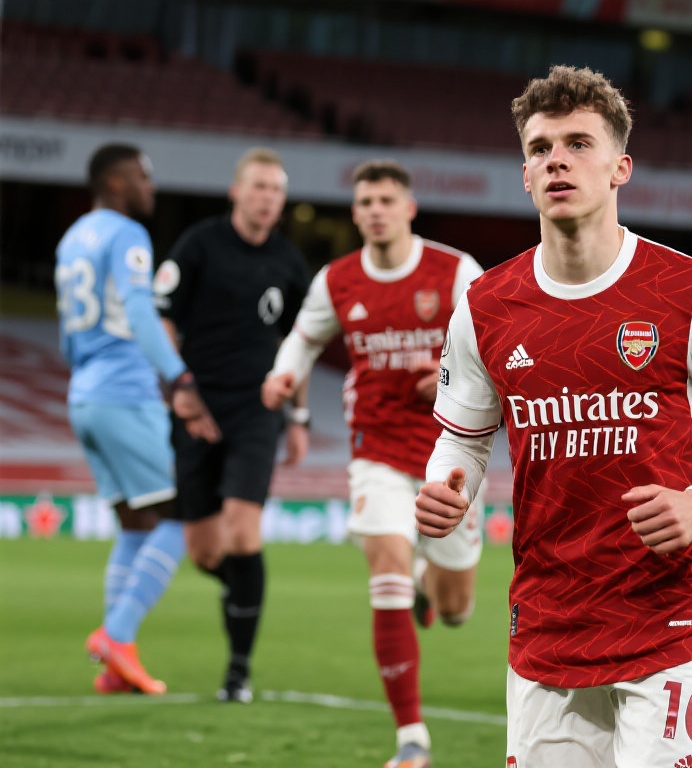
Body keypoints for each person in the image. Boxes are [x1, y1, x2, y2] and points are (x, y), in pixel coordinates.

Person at [414, 65, 692, 768]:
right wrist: (447, 485)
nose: (556, 160)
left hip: (671, 619)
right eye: (539, 148)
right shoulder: (485, 306)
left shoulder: (691, 292)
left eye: (578, 143)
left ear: (621, 167)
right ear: (524, 176)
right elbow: (461, 441)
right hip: (548, 621)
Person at [262, 159, 486, 768]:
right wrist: (283, 375)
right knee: (385, 570)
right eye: (365, 203)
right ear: (356, 213)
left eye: (386, 200)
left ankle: (428, 586)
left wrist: (448, 378)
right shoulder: (337, 279)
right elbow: (304, 338)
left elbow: (494, 346)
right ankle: (411, 739)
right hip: (376, 448)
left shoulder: (455, 270)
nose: (376, 211)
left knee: (457, 609)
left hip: (452, 452)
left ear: (409, 208)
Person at [56, 143, 218, 696]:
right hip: (125, 391)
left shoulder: (72, 238)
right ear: (117, 183)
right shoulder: (127, 234)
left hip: (85, 393)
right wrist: (179, 377)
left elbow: (67, 330)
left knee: (134, 523)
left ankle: (115, 665)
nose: (152, 187)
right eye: (143, 178)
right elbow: (140, 310)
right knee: (181, 515)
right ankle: (117, 635)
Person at [153, 147, 310, 703]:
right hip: (197, 408)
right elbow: (162, 318)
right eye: (259, 186)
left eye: (277, 190)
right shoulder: (199, 244)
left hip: (258, 409)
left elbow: (302, 342)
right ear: (236, 192)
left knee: (243, 532)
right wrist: (181, 387)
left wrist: (299, 416)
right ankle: (248, 590)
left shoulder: (289, 263)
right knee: (205, 553)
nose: (268, 198)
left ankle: (238, 672)